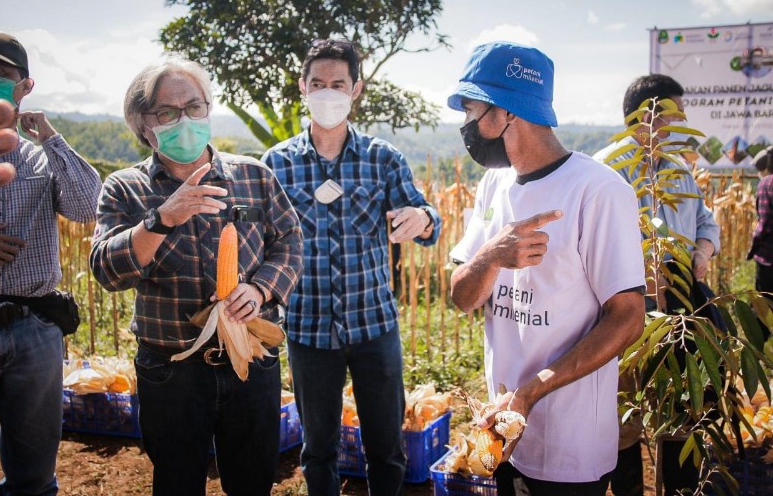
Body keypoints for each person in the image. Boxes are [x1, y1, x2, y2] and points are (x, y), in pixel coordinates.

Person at [89, 55, 303, 496]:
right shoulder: (125, 188)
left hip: (249, 359)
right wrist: (161, 220)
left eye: (194, 107)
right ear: (144, 125)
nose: (183, 120)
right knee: (177, 480)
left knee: (251, 481)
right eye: (166, 113)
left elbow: (290, 243)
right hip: (172, 369)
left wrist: (262, 288)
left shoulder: (253, 176)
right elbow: (107, 271)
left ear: (208, 108)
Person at [447, 41, 646, 496]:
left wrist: (532, 392)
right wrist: (491, 255)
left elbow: (628, 317)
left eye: (471, 110)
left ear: (505, 114)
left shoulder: (598, 191)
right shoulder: (493, 184)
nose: (466, 126)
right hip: (501, 428)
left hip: (569, 440)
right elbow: (462, 297)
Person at [261, 38, 441, 495]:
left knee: (386, 447)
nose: (327, 93)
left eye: (338, 84)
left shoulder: (383, 159)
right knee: (317, 451)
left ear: (356, 89)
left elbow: (425, 218)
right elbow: (257, 243)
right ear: (302, 88)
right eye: (317, 83)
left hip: (374, 326)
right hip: (307, 327)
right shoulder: (275, 165)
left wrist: (423, 218)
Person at [0, 31, 102, 495]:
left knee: (34, 475)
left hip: (34, 328)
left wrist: (50, 137)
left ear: (24, 87)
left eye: (0, 73)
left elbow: (88, 208)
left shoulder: (38, 156)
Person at [593, 73, 722, 496]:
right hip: (625, 307)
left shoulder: (679, 170)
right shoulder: (606, 168)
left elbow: (705, 220)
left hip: (680, 308)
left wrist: (702, 251)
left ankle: (679, 487)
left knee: (682, 406)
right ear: (647, 115)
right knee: (625, 413)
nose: (682, 122)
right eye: (676, 113)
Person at [749, 145, 773, 340]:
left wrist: (754, 241)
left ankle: (757, 352)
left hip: (768, 258)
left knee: (763, 307)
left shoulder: (767, 184)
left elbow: (764, 224)